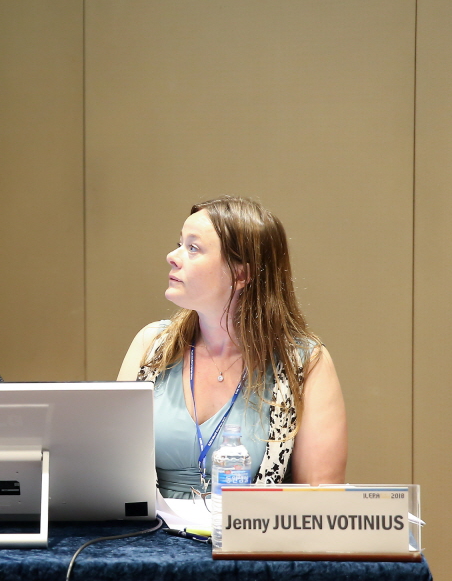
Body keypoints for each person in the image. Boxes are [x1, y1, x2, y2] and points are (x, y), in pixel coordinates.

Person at [118, 195, 346, 499]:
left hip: (251, 527)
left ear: (241, 274)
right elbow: (112, 466)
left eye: (193, 248)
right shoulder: (151, 345)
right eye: (179, 243)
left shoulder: (304, 362)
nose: (172, 256)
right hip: (152, 528)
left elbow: (320, 499)